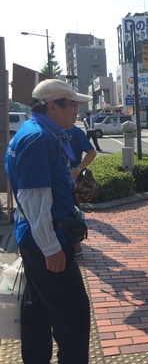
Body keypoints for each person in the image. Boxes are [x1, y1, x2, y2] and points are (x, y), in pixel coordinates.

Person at [4, 79, 92, 363]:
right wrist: (50, 247)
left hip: (38, 240)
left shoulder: (38, 133)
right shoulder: (39, 138)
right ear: (53, 106)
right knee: (74, 316)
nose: (77, 110)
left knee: (38, 310)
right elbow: (33, 199)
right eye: (72, 105)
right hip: (49, 244)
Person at [65, 122, 97, 256]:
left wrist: (78, 169)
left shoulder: (75, 132)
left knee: (73, 211)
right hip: (57, 180)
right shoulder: (50, 129)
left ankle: (76, 244)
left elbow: (92, 152)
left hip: (71, 180)